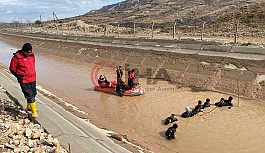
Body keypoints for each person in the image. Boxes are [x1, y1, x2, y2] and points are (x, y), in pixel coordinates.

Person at [9, 43, 38, 118]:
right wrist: (19, 76)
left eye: (30, 52)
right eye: (27, 52)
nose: (29, 53)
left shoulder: (32, 55)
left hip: (33, 78)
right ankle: (34, 112)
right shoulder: (16, 58)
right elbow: (12, 69)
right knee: (30, 95)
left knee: (34, 93)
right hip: (24, 80)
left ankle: (29, 106)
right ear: (23, 51)